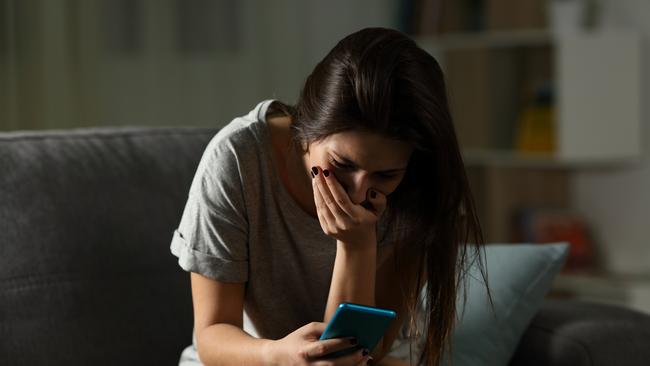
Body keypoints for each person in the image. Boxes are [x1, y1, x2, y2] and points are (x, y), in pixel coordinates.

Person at [170, 27, 486, 366]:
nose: (359, 190)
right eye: (342, 164)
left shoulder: (418, 190)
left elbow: (363, 350)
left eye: (385, 175)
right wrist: (278, 356)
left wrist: (357, 246)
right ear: (306, 128)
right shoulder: (238, 159)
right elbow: (213, 336)